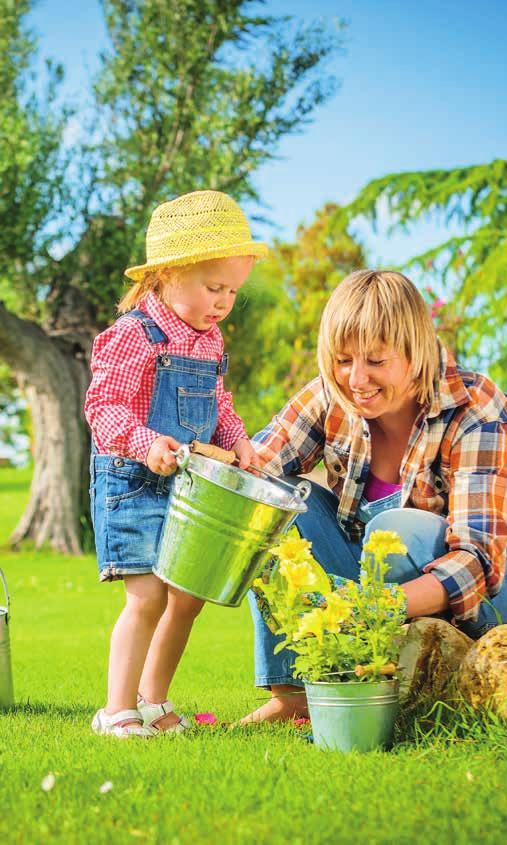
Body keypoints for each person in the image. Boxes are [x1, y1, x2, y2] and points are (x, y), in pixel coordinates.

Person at [242, 269, 507, 723]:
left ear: (416, 351)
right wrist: (191, 457)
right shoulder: (334, 396)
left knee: (394, 530)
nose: (356, 378)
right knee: (273, 501)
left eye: (375, 360)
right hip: (376, 587)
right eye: (342, 359)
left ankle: (404, 686)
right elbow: (258, 465)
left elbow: (478, 560)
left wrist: (373, 608)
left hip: (495, 590)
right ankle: (294, 693)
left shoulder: (474, 407)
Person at [85, 190, 267, 737]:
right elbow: (103, 408)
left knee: (186, 597)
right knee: (147, 596)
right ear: (167, 275)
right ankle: (116, 710)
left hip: (186, 487)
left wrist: (240, 443)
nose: (223, 303)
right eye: (214, 288)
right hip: (133, 482)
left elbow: (220, 404)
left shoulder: (209, 341)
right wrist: (147, 445)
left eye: (233, 291)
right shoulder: (132, 335)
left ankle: (152, 701)